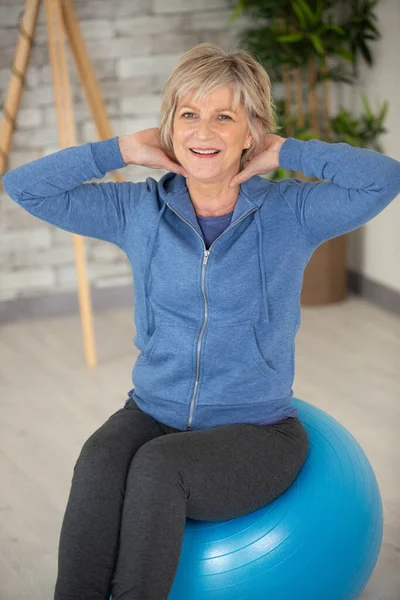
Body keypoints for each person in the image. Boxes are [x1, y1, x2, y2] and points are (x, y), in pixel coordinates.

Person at [3, 42, 400, 599]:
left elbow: (383, 178)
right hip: (153, 410)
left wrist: (287, 150)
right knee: (99, 458)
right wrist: (118, 148)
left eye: (223, 116)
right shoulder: (138, 210)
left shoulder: (291, 213)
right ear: (169, 127)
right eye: (188, 114)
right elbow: (24, 186)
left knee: (161, 471)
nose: (203, 131)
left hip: (257, 431)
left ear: (251, 131)